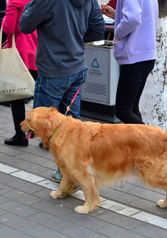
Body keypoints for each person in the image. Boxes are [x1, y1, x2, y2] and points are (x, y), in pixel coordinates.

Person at [20, 0, 105, 181]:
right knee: (72, 127)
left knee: (46, 127)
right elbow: (98, 28)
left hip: (52, 70)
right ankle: (73, 172)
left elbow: (25, 25)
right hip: (77, 67)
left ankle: (66, 173)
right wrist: (75, 40)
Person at [101, 0, 158, 124]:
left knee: (123, 111)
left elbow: (133, 18)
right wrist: (116, 15)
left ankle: (152, 140)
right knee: (131, 109)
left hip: (135, 56)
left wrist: (117, 34)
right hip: (146, 55)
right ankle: (144, 142)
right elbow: (141, 18)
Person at [2, 0, 37, 146]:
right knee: (40, 95)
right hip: (37, 51)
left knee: (17, 97)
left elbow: (8, 28)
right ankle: (46, 136)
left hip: (20, 54)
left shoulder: (15, 2)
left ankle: (20, 136)